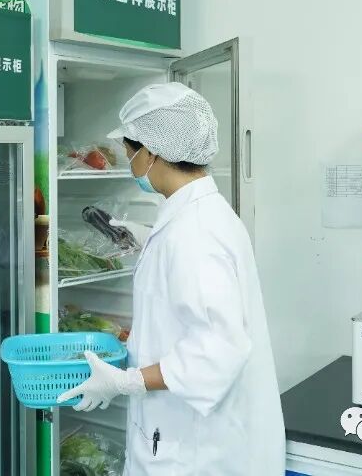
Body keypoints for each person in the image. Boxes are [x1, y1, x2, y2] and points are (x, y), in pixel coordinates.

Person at [57, 82, 285, 475]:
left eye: (130, 153)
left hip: (197, 452)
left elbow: (218, 349)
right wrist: (149, 238)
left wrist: (126, 382)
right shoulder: (197, 216)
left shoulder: (194, 234)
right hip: (188, 439)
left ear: (151, 152)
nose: (130, 164)